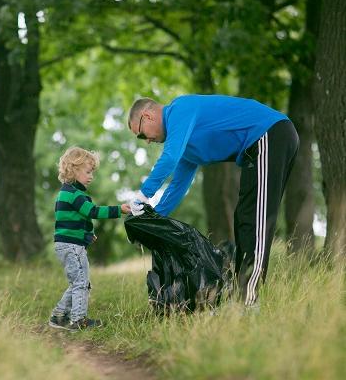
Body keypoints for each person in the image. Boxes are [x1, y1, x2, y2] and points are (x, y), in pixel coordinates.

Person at [127, 95, 299, 306]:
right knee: (244, 218)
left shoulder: (179, 109)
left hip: (269, 134)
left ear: (148, 116)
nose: (147, 140)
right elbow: (178, 186)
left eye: (141, 134)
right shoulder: (187, 144)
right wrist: (152, 219)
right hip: (259, 145)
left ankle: (248, 301)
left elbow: (169, 158)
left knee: (255, 220)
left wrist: (143, 195)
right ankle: (241, 298)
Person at [49, 146, 131, 331]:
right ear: (73, 170)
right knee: (80, 283)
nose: (91, 176)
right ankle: (78, 320)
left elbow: (78, 218)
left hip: (68, 245)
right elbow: (93, 211)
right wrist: (119, 210)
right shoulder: (74, 194)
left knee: (79, 282)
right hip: (71, 247)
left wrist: (87, 233)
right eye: (87, 172)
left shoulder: (68, 193)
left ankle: (58, 316)